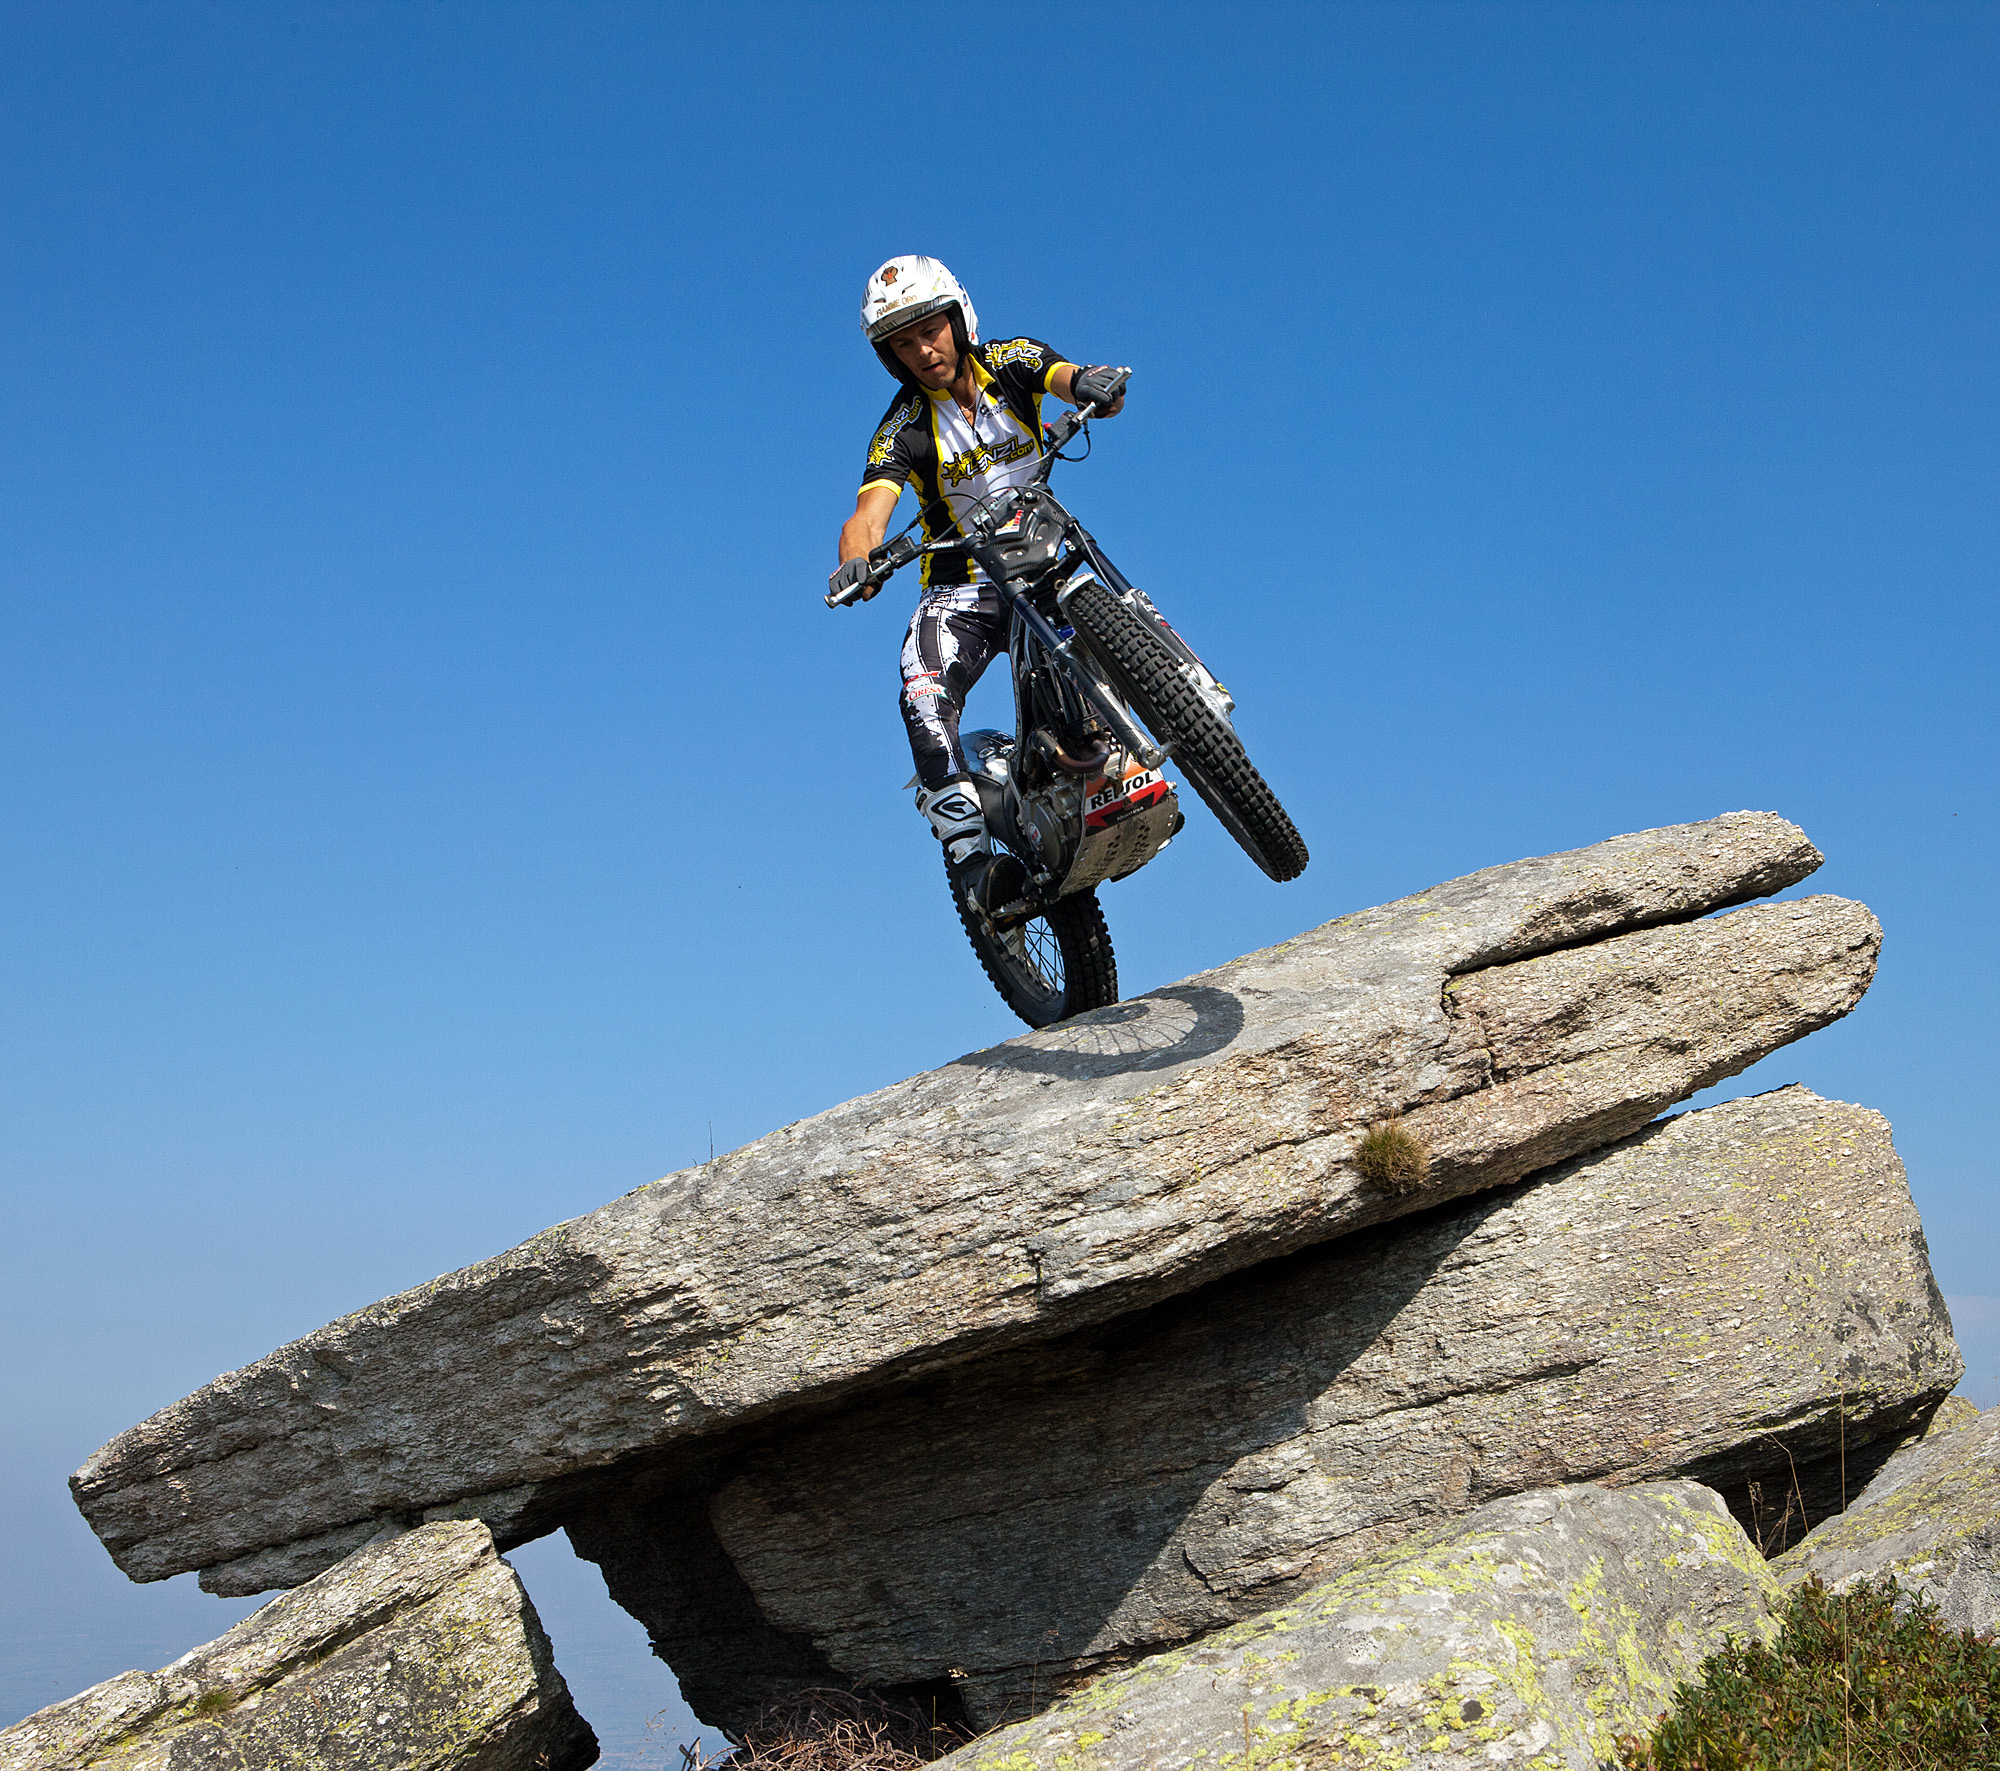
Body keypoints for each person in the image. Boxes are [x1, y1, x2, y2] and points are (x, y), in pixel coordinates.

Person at [829, 255, 1128, 914]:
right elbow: (868, 513)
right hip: (959, 589)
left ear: (957, 318)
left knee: (1104, 601)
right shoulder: (902, 428)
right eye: (902, 344)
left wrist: (1093, 385)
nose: (922, 351)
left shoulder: (1010, 359)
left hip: (1042, 556)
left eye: (929, 329)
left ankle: (1160, 711)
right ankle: (972, 863)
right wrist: (858, 559)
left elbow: (1067, 375)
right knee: (921, 688)